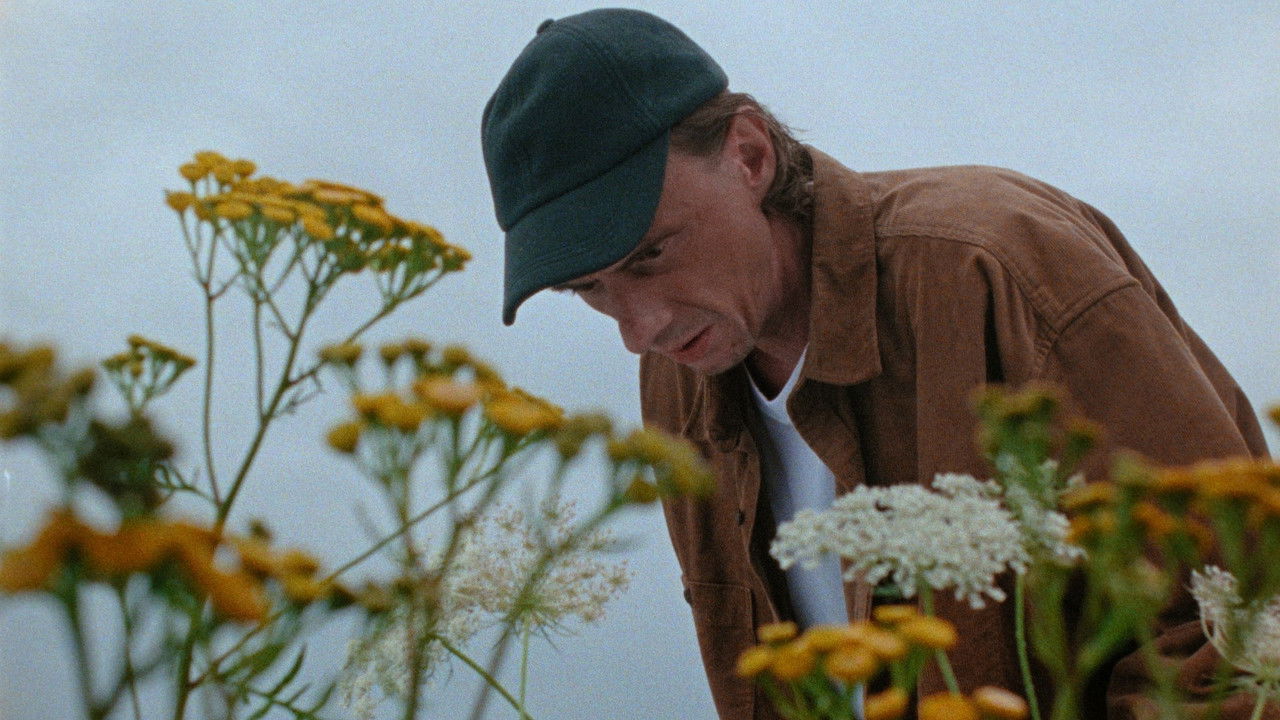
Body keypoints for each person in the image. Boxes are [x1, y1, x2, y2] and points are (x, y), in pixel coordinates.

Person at [481, 8, 1269, 719]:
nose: (637, 327)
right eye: (590, 288)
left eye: (652, 253)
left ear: (749, 155)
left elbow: (1230, 628)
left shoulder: (996, 265)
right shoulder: (678, 368)